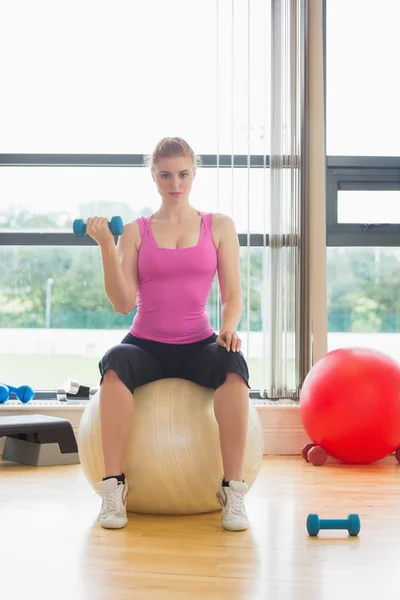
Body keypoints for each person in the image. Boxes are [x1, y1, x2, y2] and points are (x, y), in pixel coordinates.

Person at [87, 137, 251, 532]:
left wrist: (228, 329)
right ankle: (113, 488)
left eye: (182, 174)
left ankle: (233, 490)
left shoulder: (220, 226)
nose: (174, 183)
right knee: (114, 362)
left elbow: (232, 296)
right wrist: (107, 247)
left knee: (234, 363)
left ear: (194, 173)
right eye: (165, 175)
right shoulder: (135, 230)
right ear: (153, 177)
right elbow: (123, 303)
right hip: (145, 346)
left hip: (199, 343)